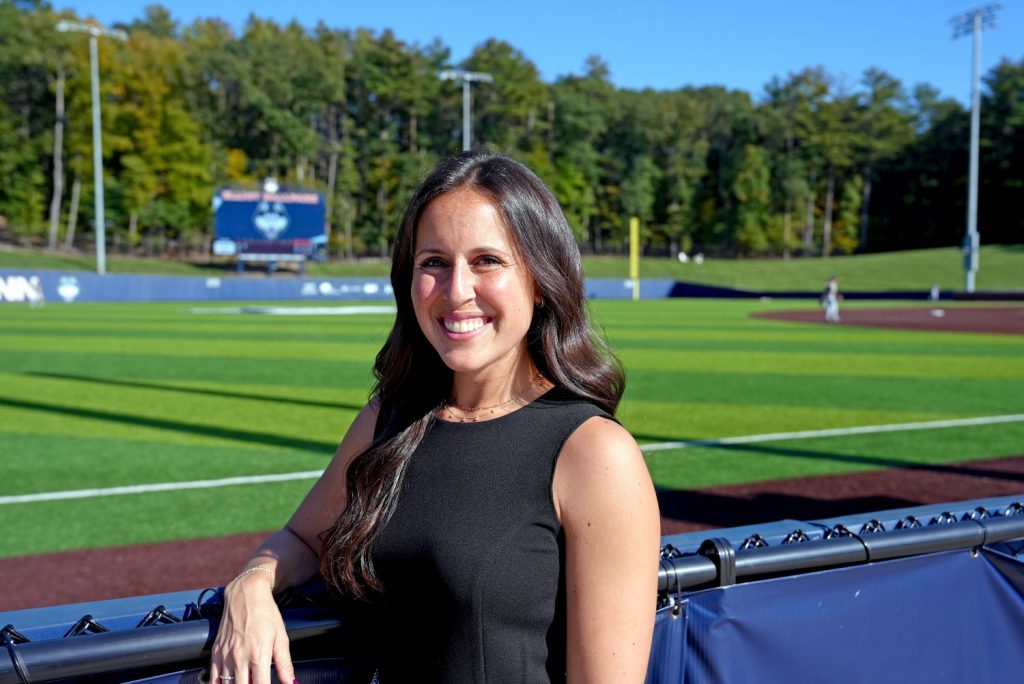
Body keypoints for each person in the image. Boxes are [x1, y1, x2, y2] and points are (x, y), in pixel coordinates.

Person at [210, 151, 661, 683]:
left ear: (540, 281)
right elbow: (304, 538)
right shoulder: (390, 419)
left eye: (487, 261)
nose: (457, 291)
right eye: (434, 263)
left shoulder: (593, 453)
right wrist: (253, 584)